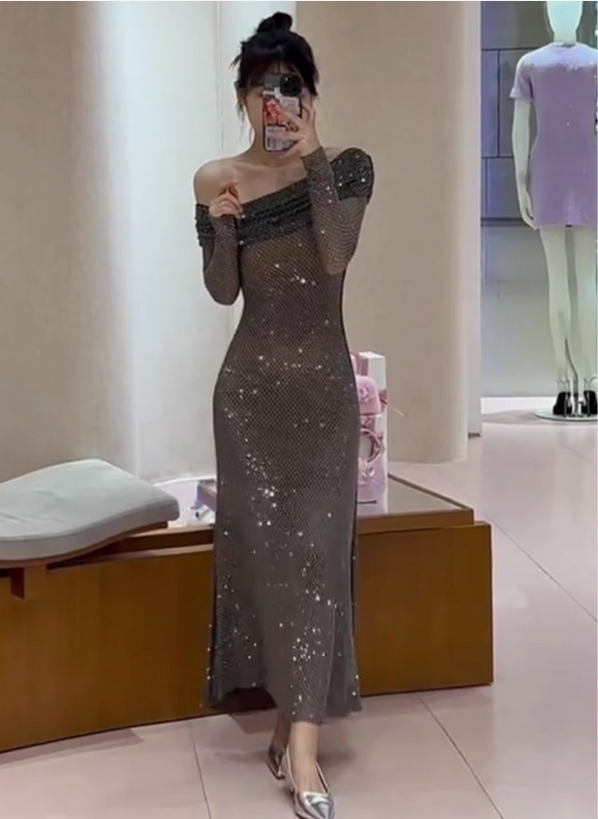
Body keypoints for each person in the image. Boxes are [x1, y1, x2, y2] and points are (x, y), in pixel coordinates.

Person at [194, 12, 374, 819]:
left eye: (290, 87)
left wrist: (312, 159)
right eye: (263, 89)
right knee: (269, 566)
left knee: (318, 561)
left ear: (309, 95)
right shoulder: (214, 177)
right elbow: (223, 291)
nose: (277, 102)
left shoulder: (348, 167)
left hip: (324, 398)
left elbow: (334, 255)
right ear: (242, 96)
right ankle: (292, 738)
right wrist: (221, 227)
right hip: (249, 399)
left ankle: (300, 747)